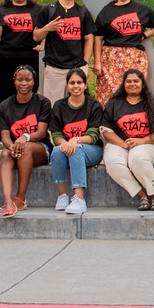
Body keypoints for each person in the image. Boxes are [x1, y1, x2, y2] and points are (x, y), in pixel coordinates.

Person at [100, 67, 154, 211]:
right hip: (119, 143)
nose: (132, 84)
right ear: (123, 84)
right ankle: (142, 195)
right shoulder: (114, 104)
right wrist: (123, 144)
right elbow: (105, 130)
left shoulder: (152, 104)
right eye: (128, 81)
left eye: (136, 81)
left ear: (143, 83)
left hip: (146, 144)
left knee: (137, 156)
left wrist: (141, 141)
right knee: (112, 162)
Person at [93, 0, 154, 104]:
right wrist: (97, 62)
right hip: (111, 58)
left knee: (134, 92)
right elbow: (98, 38)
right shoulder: (107, 11)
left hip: (135, 57)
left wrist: (145, 35)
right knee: (110, 94)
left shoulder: (141, 10)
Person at [47, 68, 104, 215]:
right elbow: (56, 133)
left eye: (79, 82)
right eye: (72, 83)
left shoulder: (94, 105)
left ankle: (79, 199)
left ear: (85, 85)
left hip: (92, 150)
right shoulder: (59, 106)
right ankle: (62, 196)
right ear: (67, 85)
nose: (76, 86)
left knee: (77, 149)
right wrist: (64, 144)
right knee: (56, 151)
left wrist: (75, 140)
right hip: (67, 147)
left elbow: (93, 135)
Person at [0, 64, 49, 217]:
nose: (24, 84)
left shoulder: (42, 102)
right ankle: (8, 201)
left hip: (40, 148)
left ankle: (20, 199)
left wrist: (25, 137)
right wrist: (13, 147)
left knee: (26, 148)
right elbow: (5, 136)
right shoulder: (5, 105)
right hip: (16, 148)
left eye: (28, 80)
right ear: (14, 81)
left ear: (34, 82)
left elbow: (41, 132)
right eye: (20, 80)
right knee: (5, 154)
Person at [37, 0, 96, 102]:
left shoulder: (83, 12)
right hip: (54, 68)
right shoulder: (49, 10)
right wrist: (48, 28)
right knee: (52, 106)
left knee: (77, 106)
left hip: (76, 67)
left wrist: (85, 64)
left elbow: (88, 39)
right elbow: (36, 36)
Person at [0, 0, 47, 104]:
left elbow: (46, 30)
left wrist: (43, 43)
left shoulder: (39, 10)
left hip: (30, 57)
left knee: (28, 92)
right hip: (4, 58)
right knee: (4, 94)